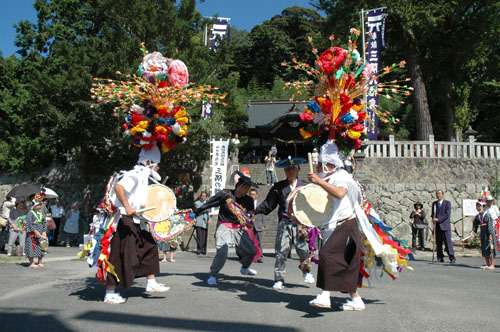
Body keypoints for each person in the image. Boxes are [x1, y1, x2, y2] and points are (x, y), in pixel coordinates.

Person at [105, 145, 169, 304]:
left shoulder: (144, 177)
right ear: (148, 162)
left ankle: (151, 282)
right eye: (156, 163)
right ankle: (110, 292)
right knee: (120, 256)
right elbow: (120, 187)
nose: (158, 167)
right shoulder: (135, 174)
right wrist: (127, 205)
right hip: (125, 221)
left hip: (137, 221)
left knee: (150, 247)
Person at [307, 140, 365, 311]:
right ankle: (356, 300)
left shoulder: (341, 177)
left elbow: (340, 193)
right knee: (346, 262)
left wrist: (319, 181)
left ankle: (325, 295)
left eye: (320, 164)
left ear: (329, 165)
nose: (318, 167)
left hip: (345, 223)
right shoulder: (330, 178)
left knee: (327, 254)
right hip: (338, 225)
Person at [253, 157, 313, 290]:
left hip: (300, 223)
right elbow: (269, 204)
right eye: (287, 169)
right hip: (285, 223)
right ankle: (279, 278)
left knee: (303, 249)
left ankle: (306, 272)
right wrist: (256, 211)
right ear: (285, 171)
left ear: (297, 170)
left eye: (292, 169)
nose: (290, 171)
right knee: (281, 252)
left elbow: (313, 202)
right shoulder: (279, 187)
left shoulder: (305, 185)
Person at [194, 172, 259, 286]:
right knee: (222, 251)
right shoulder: (226, 194)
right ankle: (213, 274)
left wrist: (250, 220)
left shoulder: (248, 200)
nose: (246, 190)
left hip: (239, 227)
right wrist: (197, 211)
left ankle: (245, 268)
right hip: (224, 225)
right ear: (239, 186)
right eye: (245, 187)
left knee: (251, 251)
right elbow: (210, 203)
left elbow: (249, 214)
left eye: (248, 188)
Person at [470, 198, 497, 270]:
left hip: (488, 232)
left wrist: (491, 234)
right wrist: (473, 231)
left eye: (479, 206)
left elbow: (490, 225)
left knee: (490, 247)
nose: (478, 208)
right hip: (483, 232)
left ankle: (492, 264)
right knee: (484, 247)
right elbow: (475, 225)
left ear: (483, 207)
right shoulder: (478, 216)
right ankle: (487, 264)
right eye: (477, 206)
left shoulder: (487, 214)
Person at [431, 190, 456, 263]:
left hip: (445, 226)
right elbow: (433, 213)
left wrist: (439, 219)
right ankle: (439, 257)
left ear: (442, 194)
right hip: (438, 226)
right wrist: (433, 218)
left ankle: (452, 257)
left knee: (448, 242)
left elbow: (447, 214)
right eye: (437, 194)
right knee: (438, 243)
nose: (438, 195)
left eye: (439, 193)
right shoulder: (434, 204)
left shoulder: (447, 203)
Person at [24, 194, 48, 268]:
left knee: (42, 246)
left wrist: (44, 232)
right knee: (31, 246)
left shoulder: (41, 213)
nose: (40, 206)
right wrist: (34, 230)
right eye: (38, 205)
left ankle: (40, 261)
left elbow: (44, 222)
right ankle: (32, 262)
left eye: (40, 205)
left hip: (40, 231)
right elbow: (29, 223)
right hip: (32, 233)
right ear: (34, 205)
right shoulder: (30, 213)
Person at [249, 189, 265, 263]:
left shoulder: (260, 203)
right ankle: (252, 256)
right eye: (251, 194)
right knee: (251, 242)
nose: (252, 196)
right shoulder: (247, 203)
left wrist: (263, 225)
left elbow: (263, 214)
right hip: (249, 225)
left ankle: (260, 256)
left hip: (258, 224)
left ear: (256, 195)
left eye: (253, 194)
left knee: (259, 242)